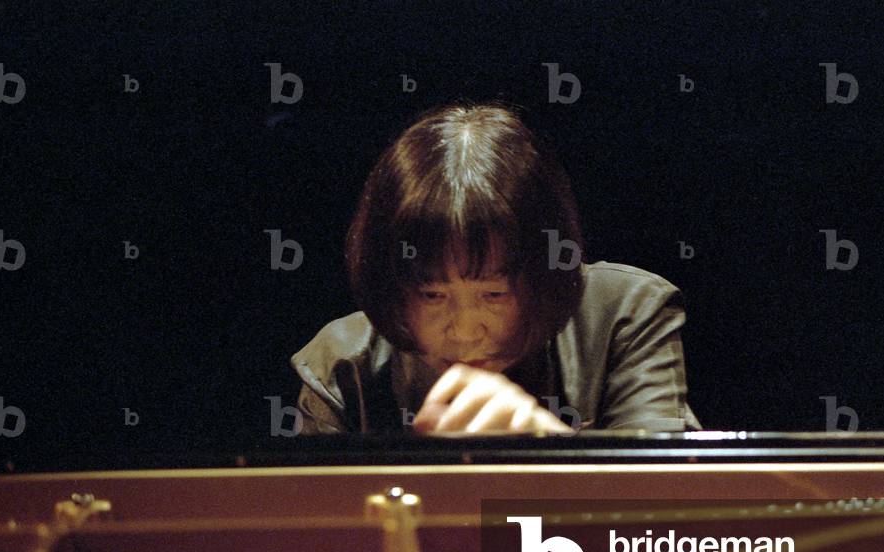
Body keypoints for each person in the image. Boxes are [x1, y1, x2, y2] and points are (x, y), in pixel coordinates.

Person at [290, 102, 702, 434]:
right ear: (393, 285)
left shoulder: (625, 317)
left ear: (545, 275)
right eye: (433, 295)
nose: (466, 331)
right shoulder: (343, 366)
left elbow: (667, 520)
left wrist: (542, 446)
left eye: (494, 294)